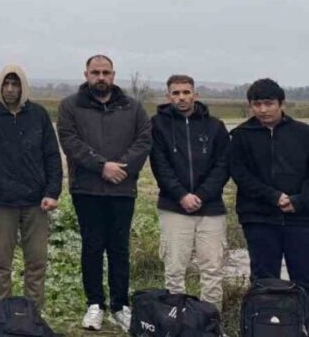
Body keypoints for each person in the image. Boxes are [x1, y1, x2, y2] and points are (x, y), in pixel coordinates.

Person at [58, 55, 152, 332]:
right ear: (86, 74)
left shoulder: (133, 107)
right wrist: (102, 166)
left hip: (122, 189)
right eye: (96, 72)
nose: (101, 77)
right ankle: (95, 304)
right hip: (87, 189)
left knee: (119, 248)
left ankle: (120, 306)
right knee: (92, 246)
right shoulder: (70, 106)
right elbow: (70, 142)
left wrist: (119, 168)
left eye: (106, 72)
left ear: (113, 75)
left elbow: (144, 141)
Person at [0, 65, 62, 311]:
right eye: (6, 83)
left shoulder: (39, 115)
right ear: (0, 86)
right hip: (1, 202)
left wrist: (52, 191)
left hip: (36, 202)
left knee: (36, 263)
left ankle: (32, 314)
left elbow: (52, 155)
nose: (10, 89)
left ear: (23, 87)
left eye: (15, 84)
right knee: (1, 263)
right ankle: (2, 314)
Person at [149, 75, 230, 308]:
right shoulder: (157, 125)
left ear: (195, 94)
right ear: (168, 96)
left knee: (212, 269)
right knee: (174, 269)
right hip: (174, 207)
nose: (181, 97)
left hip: (211, 208)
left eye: (186, 92)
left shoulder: (215, 126)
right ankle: (176, 319)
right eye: (176, 93)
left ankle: (211, 319)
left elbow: (223, 165)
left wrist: (202, 195)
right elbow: (159, 165)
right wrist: (181, 195)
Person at [228, 78, 309, 289]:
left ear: (282, 104)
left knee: (304, 278)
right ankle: (266, 312)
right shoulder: (241, 136)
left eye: (269, 103)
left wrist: (299, 201)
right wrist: (274, 197)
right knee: (264, 281)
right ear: (250, 106)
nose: (263, 110)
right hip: (258, 217)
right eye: (257, 104)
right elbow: (240, 174)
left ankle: (303, 312)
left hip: (301, 218)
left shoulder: (303, 133)